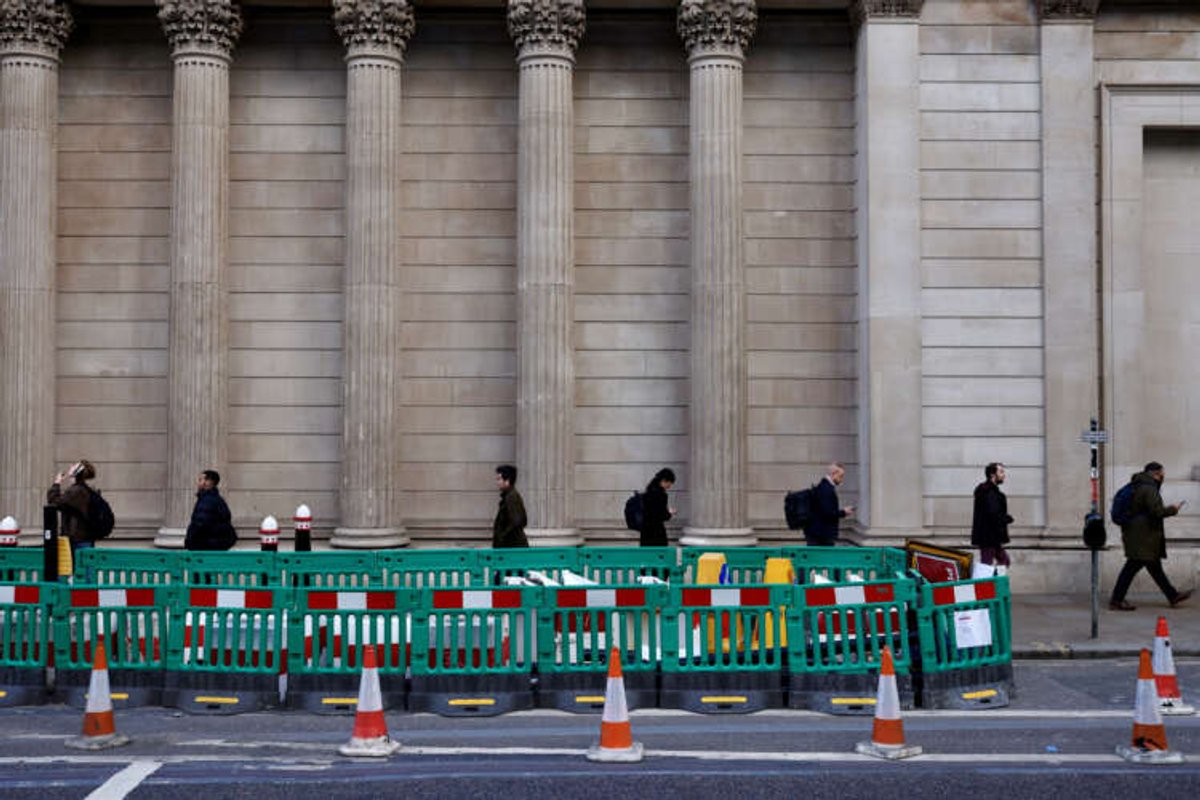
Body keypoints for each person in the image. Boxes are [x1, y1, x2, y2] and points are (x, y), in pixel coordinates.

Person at [1109, 461, 1192, 611]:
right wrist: (1173, 509)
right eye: (1161, 473)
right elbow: (1157, 511)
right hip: (1144, 536)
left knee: (1153, 567)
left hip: (1139, 535)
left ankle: (1172, 595)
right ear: (1155, 473)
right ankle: (1116, 600)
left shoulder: (1138, 485)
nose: (1163, 476)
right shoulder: (1149, 488)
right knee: (1132, 567)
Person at [47, 460, 98, 552]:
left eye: (74, 466)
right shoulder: (84, 489)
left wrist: (57, 482)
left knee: (80, 565)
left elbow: (54, 501)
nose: (71, 466)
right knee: (84, 565)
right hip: (84, 538)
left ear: (77, 472)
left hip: (78, 540)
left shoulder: (76, 491)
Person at [971, 462, 1013, 573]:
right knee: (986, 565)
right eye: (1001, 472)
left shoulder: (991, 491)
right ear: (992, 475)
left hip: (993, 538)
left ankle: (994, 585)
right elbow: (993, 513)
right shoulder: (988, 491)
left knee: (1003, 561)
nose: (1004, 475)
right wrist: (1006, 518)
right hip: (988, 537)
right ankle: (986, 587)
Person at [185, 469, 237, 551]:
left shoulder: (207, 501)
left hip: (205, 547)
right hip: (214, 545)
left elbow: (201, 524)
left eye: (200, 480)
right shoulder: (216, 499)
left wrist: (191, 541)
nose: (198, 483)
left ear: (208, 482)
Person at [806, 462, 855, 546]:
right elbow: (827, 513)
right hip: (822, 536)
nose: (842, 479)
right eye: (841, 476)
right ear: (834, 474)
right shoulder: (826, 489)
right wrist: (844, 512)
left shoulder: (824, 486)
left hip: (820, 535)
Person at [492, 464, 528, 548]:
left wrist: (502, 537)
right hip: (511, 549)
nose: (497, 482)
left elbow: (518, 522)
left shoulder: (511, 497)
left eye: (499, 479)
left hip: (511, 550)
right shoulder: (509, 496)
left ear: (507, 481)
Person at [640, 468, 677, 547]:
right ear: (664, 480)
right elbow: (661, 516)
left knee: (647, 557)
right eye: (669, 483)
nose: (669, 486)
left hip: (645, 532)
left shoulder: (647, 493)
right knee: (660, 556)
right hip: (657, 533)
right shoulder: (661, 495)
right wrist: (670, 512)